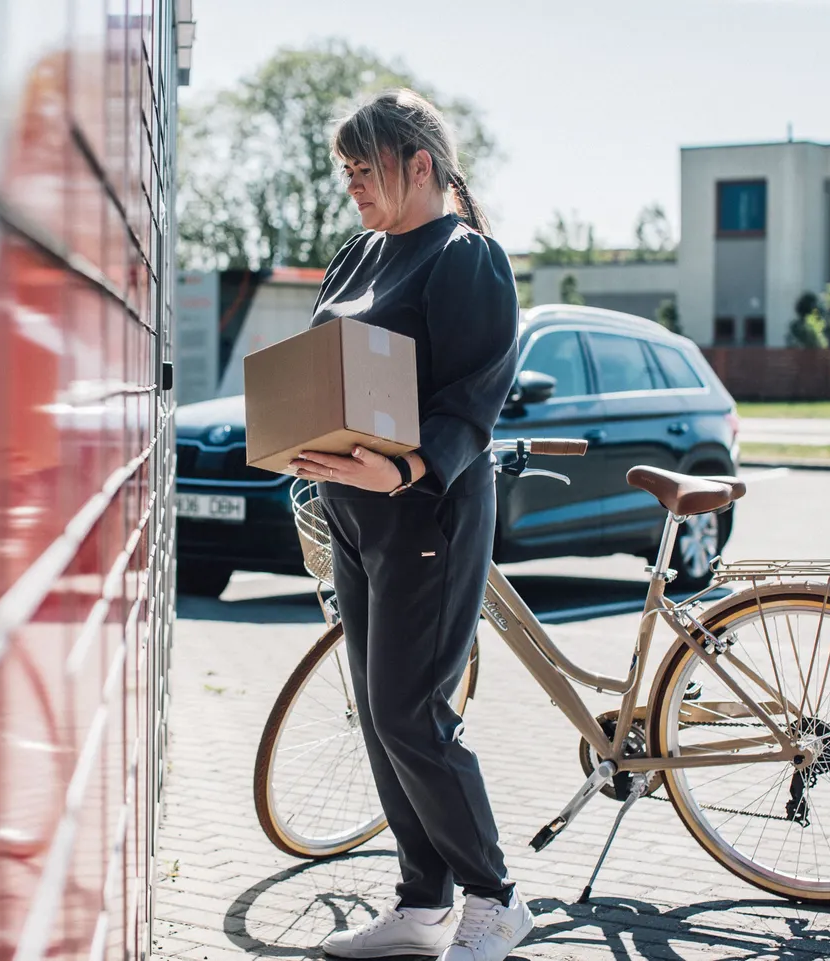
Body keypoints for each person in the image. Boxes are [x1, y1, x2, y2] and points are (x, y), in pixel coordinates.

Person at [288, 89, 532, 961]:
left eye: (365, 169)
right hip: (352, 513)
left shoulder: (467, 257)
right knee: (378, 709)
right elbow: (334, 368)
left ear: (418, 164)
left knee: (410, 712)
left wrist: (402, 466)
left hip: (427, 510)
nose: (352, 185)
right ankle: (422, 904)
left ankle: (496, 899)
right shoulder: (357, 255)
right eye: (346, 171)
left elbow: (476, 395)